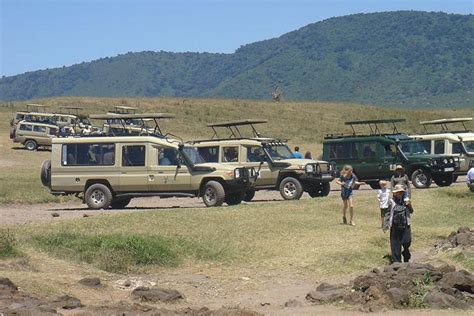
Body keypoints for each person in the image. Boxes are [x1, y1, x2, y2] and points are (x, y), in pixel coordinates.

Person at [383, 184, 414, 263]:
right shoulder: (391, 201)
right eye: (398, 192)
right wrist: (385, 224)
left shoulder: (406, 201)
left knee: (406, 242)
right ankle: (397, 263)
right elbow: (387, 213)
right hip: (395, 226)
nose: (400, 194)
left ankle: (406, 254)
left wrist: (409, 205)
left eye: (401, 192)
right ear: (395, 193)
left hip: (405, 225)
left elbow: (411, 211)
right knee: (395, 245)